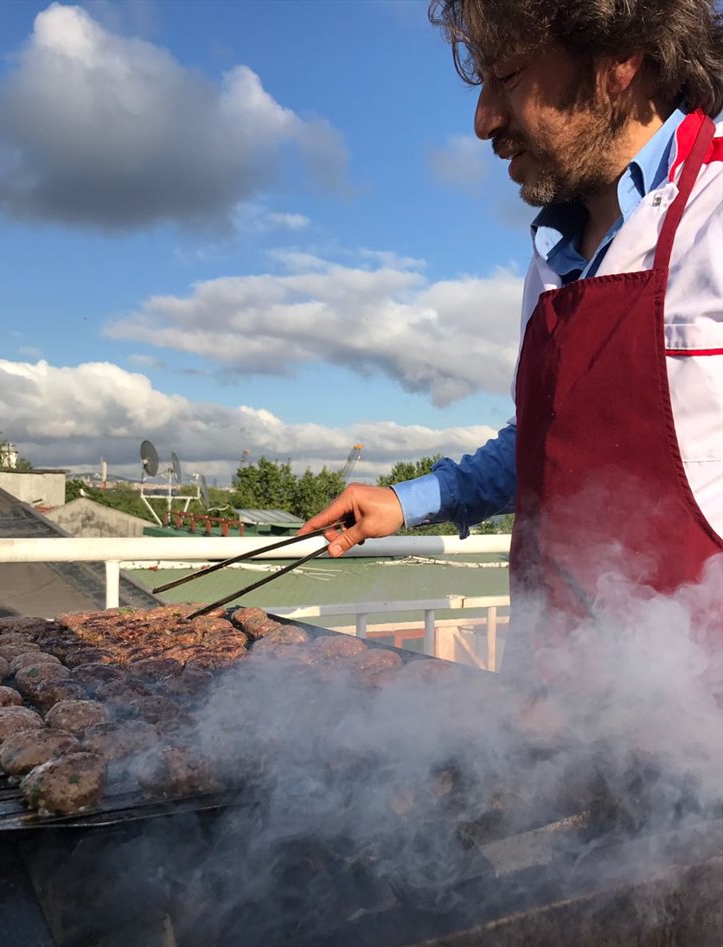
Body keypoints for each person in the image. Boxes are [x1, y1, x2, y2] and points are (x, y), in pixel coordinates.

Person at [300, 0, 723, 667]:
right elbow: (548, 442)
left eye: (510, 76)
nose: (482, 122)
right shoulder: (553, 253)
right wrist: (407, 502)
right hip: (547, 701)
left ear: (619, 61)